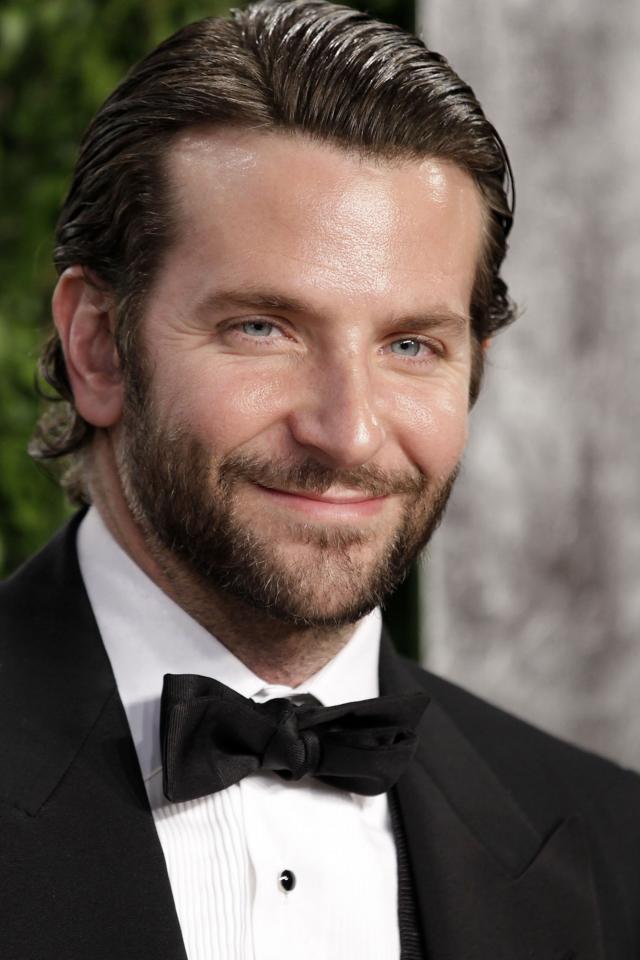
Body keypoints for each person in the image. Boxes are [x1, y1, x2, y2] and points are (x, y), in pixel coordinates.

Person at [1, 1, 638, 957]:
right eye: (263, 328)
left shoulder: (615, 843)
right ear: (98, 346)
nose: (349, 432)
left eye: (412, 345)